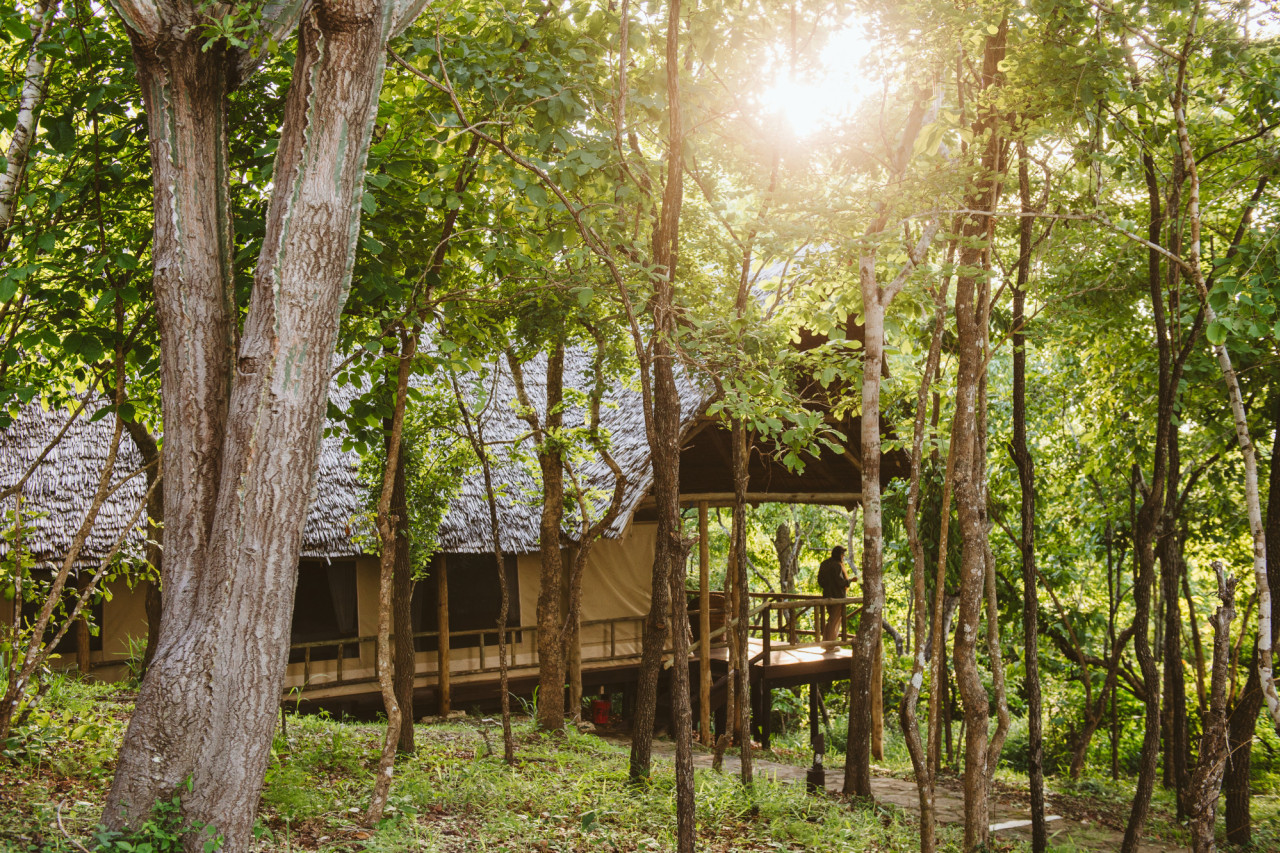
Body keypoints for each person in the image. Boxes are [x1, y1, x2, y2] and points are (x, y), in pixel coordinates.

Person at [817, 546, 851, 645]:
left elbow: (820, 581)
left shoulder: (824, 564)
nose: (843, 556)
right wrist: (850, 581)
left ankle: (826, 643)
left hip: (827, 595)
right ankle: (829, 645)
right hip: (838, 597)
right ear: (839, 555)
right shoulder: (837, 566)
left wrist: (828, 587)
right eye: (842, 554)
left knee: (832, 619)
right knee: (834, 621)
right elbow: (840, 582)